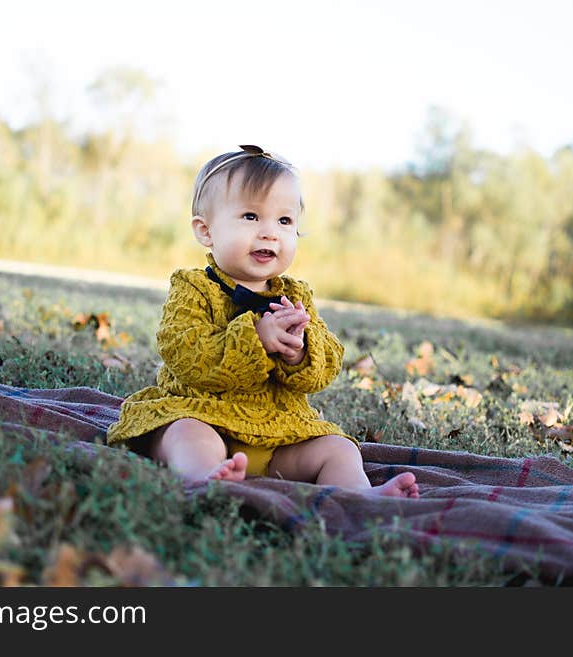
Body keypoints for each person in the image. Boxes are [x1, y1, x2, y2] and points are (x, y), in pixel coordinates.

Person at [107, 145, 418, 498]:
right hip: (204, 415)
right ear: (206, 231)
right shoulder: (193, 287)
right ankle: (205, 478)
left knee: (339, 449)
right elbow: (185, 352)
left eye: (284, 221)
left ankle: (360, 495)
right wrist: (255, 338)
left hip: (279, 435)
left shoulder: (295, 296)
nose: (270, 232)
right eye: (251, 217)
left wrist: (300, 351)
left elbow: (328, 363)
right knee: (184, 434)